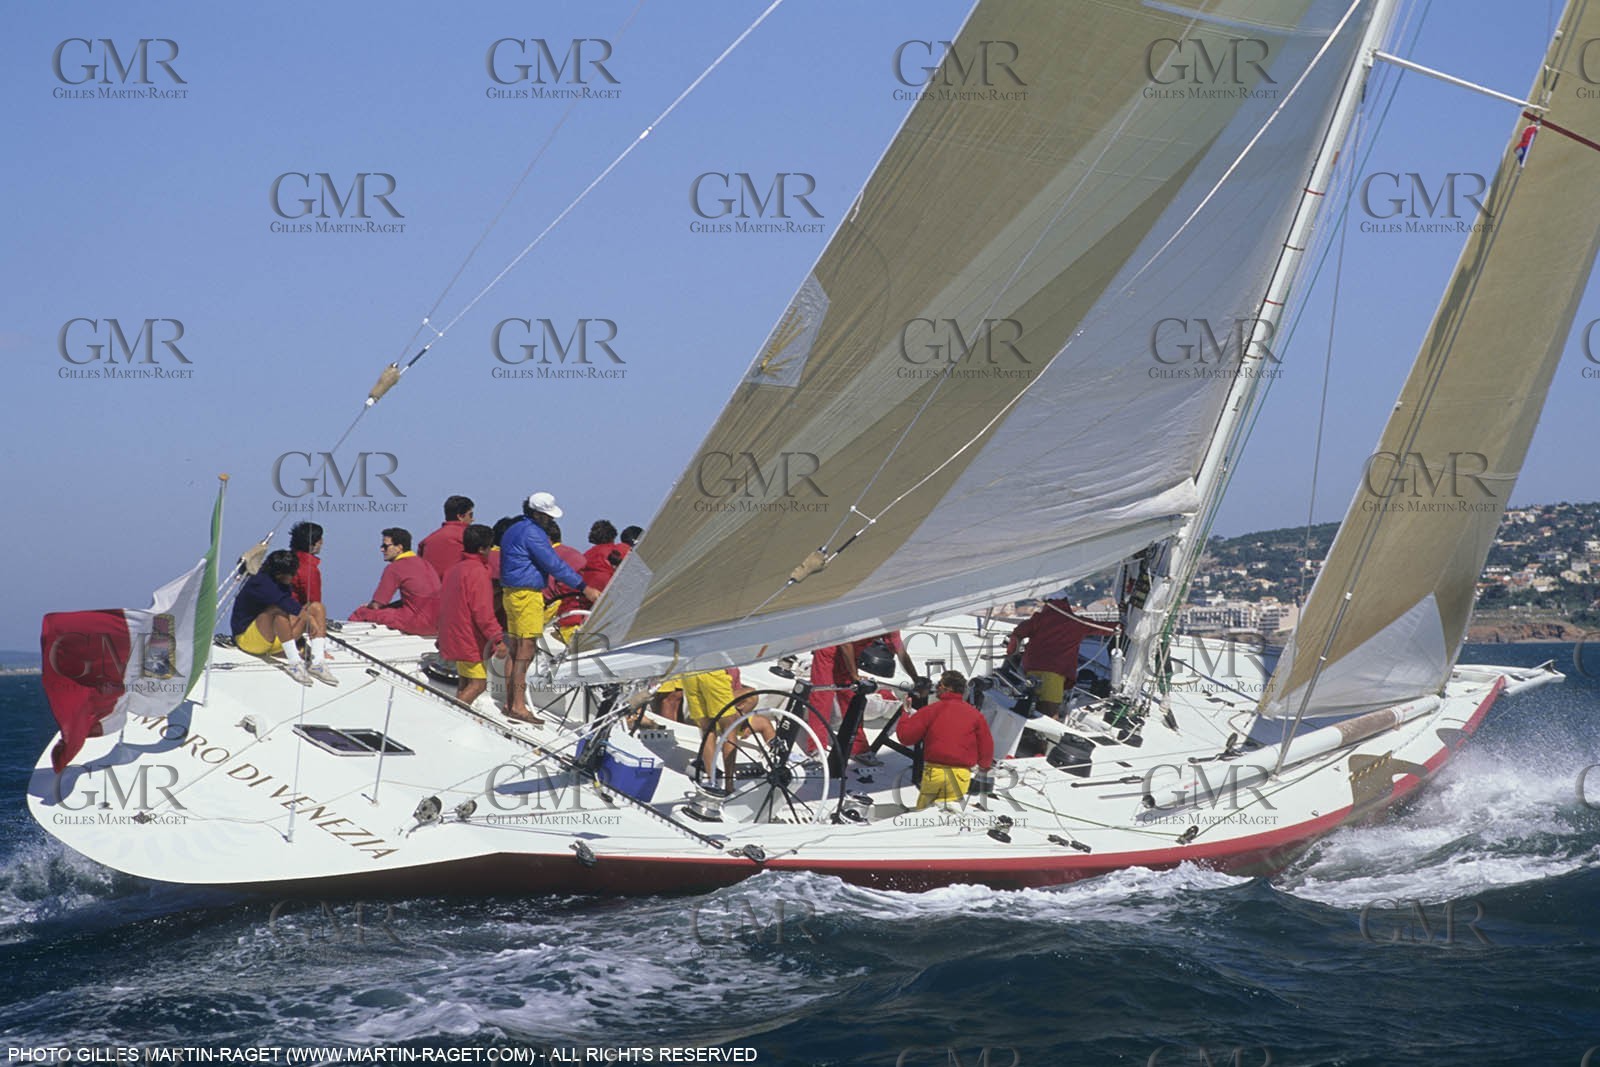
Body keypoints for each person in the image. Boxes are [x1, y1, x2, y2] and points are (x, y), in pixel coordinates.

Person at [500, 492, 599, 724]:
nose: (551, 520)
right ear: (537, 514)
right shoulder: (533, 533)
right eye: (547, 516)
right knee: (526, 650)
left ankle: (510, 703)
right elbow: (554, 564)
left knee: (515, 649)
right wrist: (584, 587)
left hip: (511, 594)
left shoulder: (514, 528)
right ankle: (518, 706)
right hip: (527, 596)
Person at [230, 549, 335, 686]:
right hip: (249, 640)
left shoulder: (281, 582)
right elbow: (286, 604)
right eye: (292, 574)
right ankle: (294, 664)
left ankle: (317, 662)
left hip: (275, 641)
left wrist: (302, 641)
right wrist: (310, 620)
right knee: (277, 611)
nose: (294, 576)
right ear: (279, 574)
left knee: (316, 607)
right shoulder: (260, 582)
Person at [1005, 596, 1120, 718]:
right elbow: (1103, 628)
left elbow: (1017, 634)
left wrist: (1011, 653)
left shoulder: (1038, 620)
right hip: (1054, 673)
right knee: (1049, 711)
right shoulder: (1076, 623)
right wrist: (1120, 626)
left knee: (1030, 702)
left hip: (1031, 668)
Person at [895, 670, 993, 810]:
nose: (936, 687)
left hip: (935, 773)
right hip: (961, 776)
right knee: (948, 816)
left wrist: (905, 714)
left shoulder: (931, 710)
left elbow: (906, 737)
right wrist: (984, 766)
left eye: (940, 684)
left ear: (949, 688)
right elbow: (986, 747)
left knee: (924, 815)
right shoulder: (976, 715)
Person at [436, 524, 506, 707]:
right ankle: (452, 716)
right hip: (469, 638)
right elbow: (482, 612)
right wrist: (497, 639)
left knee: (465, 681)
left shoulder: (453, 570)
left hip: (452, 633)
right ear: (483, 548)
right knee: (478, 684)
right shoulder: (478, 572)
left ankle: (459, 715)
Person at [349, 528, 442, 636]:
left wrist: (368, 606)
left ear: (399, 548)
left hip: (417, 623)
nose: (382, 549)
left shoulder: (395, 568)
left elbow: (377, 605)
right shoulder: (425, 564)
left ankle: (345, 637)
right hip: (439, 623)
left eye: (385, 546)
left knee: (361, 612)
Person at [287, 524, 327, 658]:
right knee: (317, 608)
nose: (322, 542)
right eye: (319, 539)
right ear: (313, 544)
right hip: (289, 624)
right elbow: (313, 602)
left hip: (270, 619)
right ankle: (319, 653)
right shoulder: (309, 569)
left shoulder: (283, 560)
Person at [419, 495, 475, 579]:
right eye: (471, 515)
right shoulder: (469, 537)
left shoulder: (427, 540)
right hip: (458, 584)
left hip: (430, 585)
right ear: (460, 516)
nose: (473, 519)